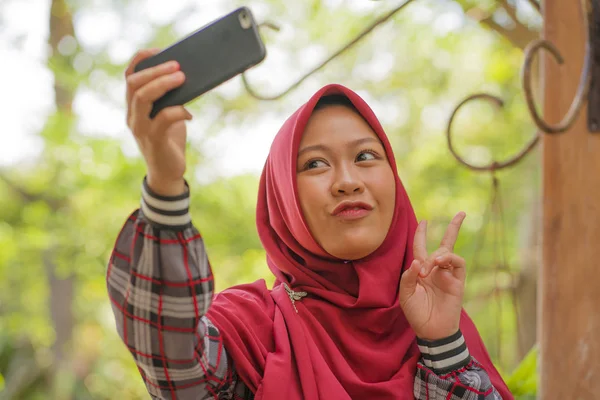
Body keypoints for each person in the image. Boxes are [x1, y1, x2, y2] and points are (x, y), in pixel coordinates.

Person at [107, 48, 513, 399]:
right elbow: (175, 366)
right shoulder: (255, 330)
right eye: (315, 164)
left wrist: (441, 346)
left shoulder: (441, 320)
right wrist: (164, 182)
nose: (348, 181)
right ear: (283, 200)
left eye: (366, 156)